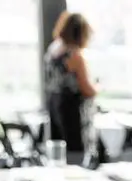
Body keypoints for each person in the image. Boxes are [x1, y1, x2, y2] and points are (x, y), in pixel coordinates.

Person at [44, 11, 97, 160]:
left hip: (54, 104)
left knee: (58, 153)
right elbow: (87, 89)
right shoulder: (74, 55)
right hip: (70, 109)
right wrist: (98, 88)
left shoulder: (53, 49)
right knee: (75, 154)